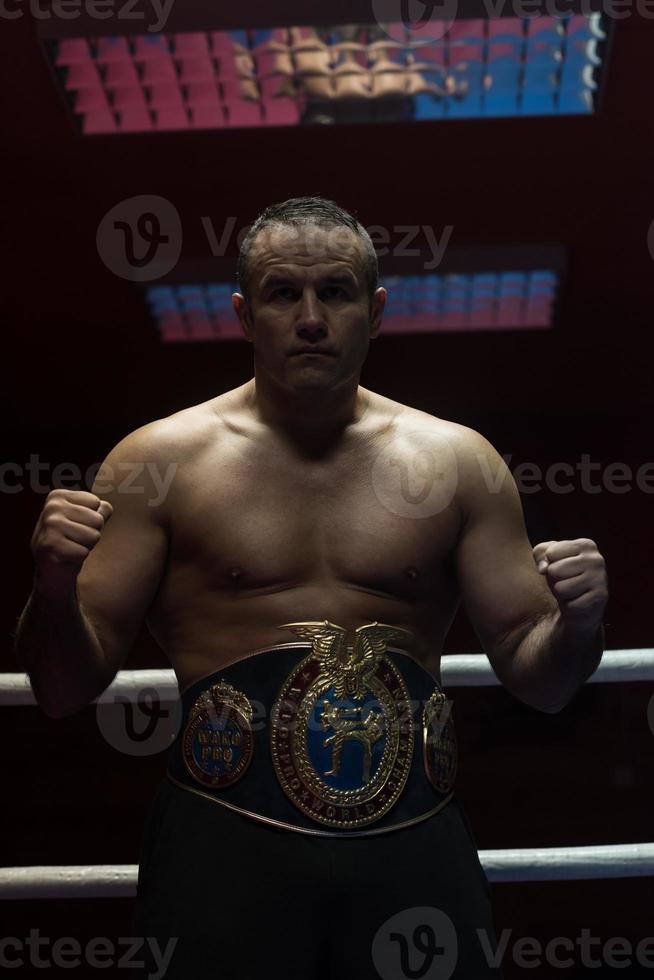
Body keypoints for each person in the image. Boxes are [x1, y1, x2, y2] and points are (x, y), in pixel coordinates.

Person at [15, 196, 608, 979]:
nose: (310, 318)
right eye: (282, 293)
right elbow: (60, 689)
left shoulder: (459, 463)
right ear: (242, 313)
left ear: (376, 309)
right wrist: (52, 587)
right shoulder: (157, 463)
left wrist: (580, 622)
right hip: (222, 842)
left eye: (335, 291)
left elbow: (545, 683)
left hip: (413, 841)